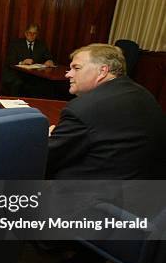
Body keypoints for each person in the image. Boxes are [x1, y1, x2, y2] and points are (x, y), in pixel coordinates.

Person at [48, 43, 166, 179]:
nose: (68, 74)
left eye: (76, 68)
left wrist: (47, 138)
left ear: (102, 71)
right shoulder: (143, 93)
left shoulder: (82, 109)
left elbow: (48, 158)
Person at [3, 23, 55, 96]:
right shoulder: (16, 44)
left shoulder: (41, 45)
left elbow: (49, 57)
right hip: (17, 74)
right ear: (25, 33)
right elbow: (9, 60)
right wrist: (22, 62)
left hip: (34, 75)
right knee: (19, 83)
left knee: (46, 85)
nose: (31, 35)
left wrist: (49, 60)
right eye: (29, 33)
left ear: (37, 34)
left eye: (34, 33)